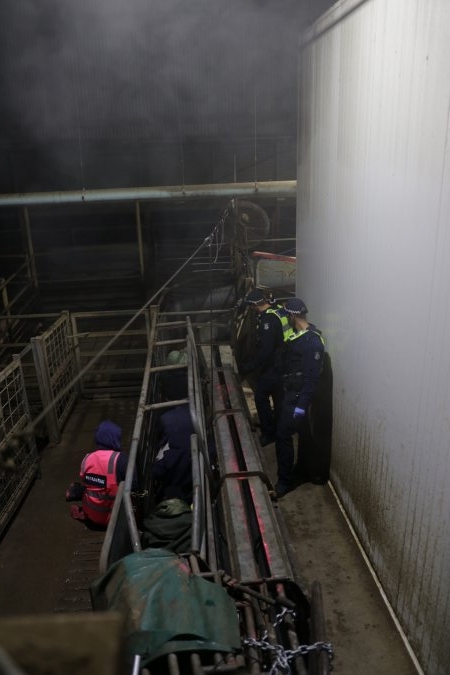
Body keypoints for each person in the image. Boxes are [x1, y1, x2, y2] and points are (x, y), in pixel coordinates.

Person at [274, 297, 325, 499]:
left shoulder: (313, 342)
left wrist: (301, 405)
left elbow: (312, 379)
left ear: (293, 316)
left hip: (296, 397)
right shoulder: (300, 335)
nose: (286, 320)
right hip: (291, 392)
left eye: (287, 316)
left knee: (282, 436)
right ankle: (310, 471)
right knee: (302, 434)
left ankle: (285, 481)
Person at [240, 289, 293, 446]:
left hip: (273, 367)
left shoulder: (268, 321)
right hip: (285, 363)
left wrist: (250, 366)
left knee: (261, 396)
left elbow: (266, 351)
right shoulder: (278, 311)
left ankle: (269, 433)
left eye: (251, 306)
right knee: (278, 398)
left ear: (255, 305)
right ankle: (279, 428)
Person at [66, 420, 129, 527]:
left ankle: (73, 491)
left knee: (89, 487)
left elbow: (88, 480)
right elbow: (134, 485)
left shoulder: (87, 459)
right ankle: (74, 491)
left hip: (92, 517)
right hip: (114, 519)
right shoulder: (121, 459)